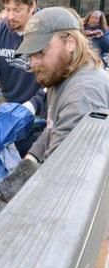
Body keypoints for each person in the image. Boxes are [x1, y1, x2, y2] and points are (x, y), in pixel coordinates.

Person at [15, 7, 109, 163]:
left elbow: (58, 173)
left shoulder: (83, 95)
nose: (32, 63)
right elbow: (53, 129)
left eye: (40, 51)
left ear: (70, 43)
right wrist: (30, 159)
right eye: (30, 55)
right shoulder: (61, 74)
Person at [0, 0, 45, 116]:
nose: (10, 16)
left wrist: (34, 104)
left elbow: (57, 75)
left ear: (32, 6)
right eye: (7, 9)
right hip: (7, 104)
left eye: (17, 10)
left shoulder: (46, 31)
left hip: (40, 108)